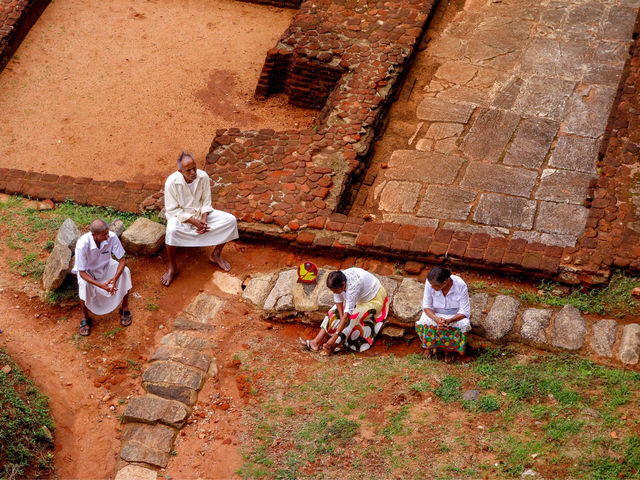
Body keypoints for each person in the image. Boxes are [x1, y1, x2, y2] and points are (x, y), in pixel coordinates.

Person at [161, 152, 239, 286]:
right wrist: (193, 221)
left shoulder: (203, 176)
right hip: (182, 218)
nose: (193, 172)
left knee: (230, 220)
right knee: (171, 231)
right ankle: (173, 267)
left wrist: (204, 220)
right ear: (180, 171)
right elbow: (172, 210)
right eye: (188, 170)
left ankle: (216, 254)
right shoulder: (171, 182)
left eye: (194, 168)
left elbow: (206, 202)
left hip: (202, 215)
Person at [298, 268, 389, 355]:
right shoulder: (339, 279)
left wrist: (334, 338)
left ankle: (333, 346)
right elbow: (338, 302)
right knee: (333, 312)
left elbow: (347, 316)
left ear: (343, 284)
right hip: (360, 299)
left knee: (352, 317)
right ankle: (316, 342)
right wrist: (341, 318)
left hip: (374, 299)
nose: (334, 293)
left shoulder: (353, 286)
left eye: (335, 291)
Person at [73, 218, 133, 336]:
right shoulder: (82, 244)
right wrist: (101, 285)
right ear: (94, 236)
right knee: (83, 284)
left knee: (125, 271)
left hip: (106, 266)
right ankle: (85, 316)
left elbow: (122, 261)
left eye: (107, 232)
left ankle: (124, 307)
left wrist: (114, 279)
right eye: (104, 234)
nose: (107, 236)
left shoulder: (112, 236)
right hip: (88, 272)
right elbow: (82, 273)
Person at [416, 266, 471, 362]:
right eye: (431, 285)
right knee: (424, 321)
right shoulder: (430, 283)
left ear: (445, 283)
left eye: (435, 286)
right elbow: (426, 306)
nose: (431, 287)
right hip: (435, 313)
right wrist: (436, 319)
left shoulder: (460, 285)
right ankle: (429, 347)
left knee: (462, 325)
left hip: (455, 315)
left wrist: (450, 320)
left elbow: (465, 311)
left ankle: (449, 350)